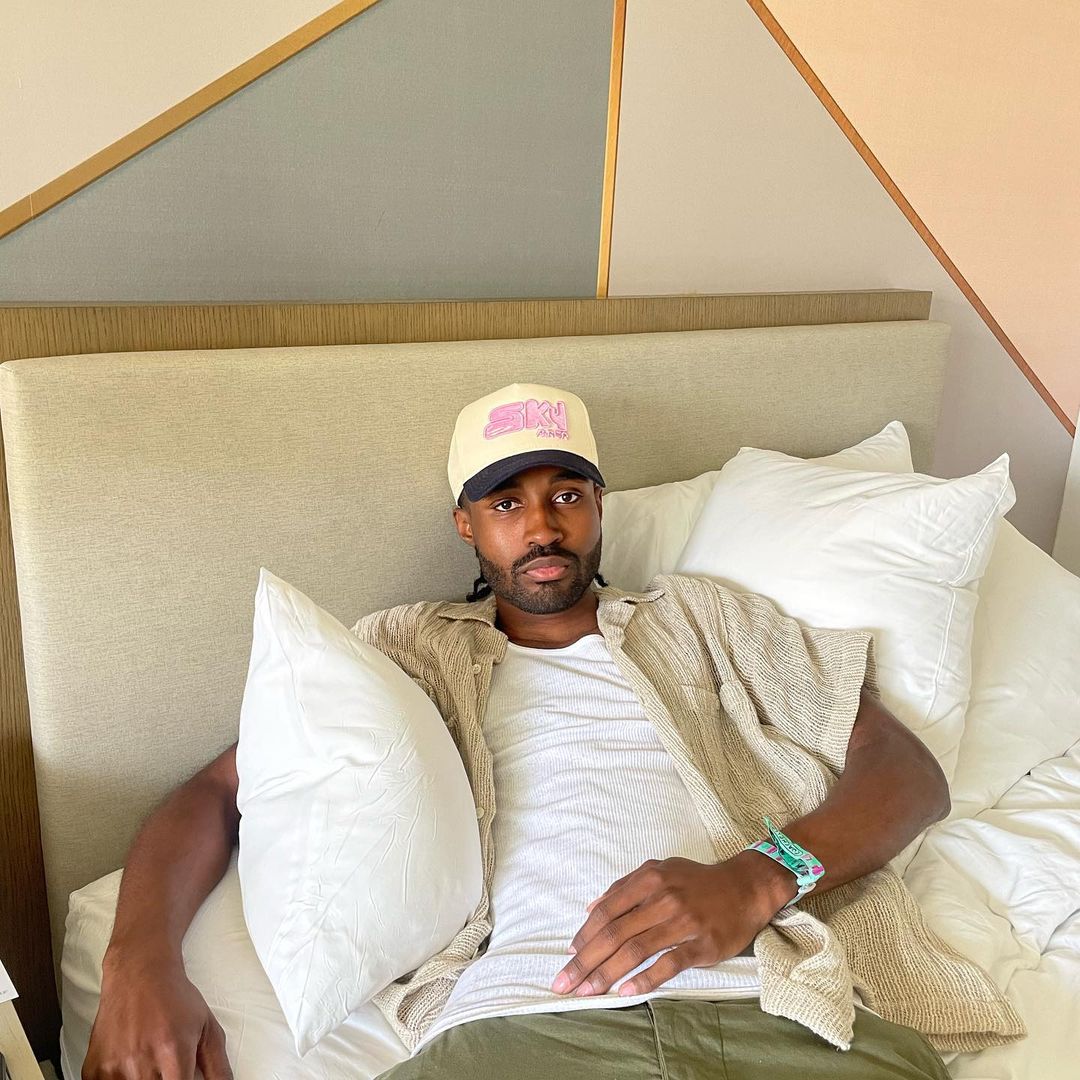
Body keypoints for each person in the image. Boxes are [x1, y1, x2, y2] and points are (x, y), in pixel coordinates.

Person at [81, 384, 1023, 1080]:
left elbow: (905, 773)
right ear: (466, 525)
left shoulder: (704, 619)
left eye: (566, 494)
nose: (542, 527)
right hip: (514, 1032)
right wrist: (138, 963)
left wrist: (758, 877)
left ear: (600, 505)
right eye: (507, 504)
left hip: (776, 1016)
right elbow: (220, 791)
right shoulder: (408, 649)